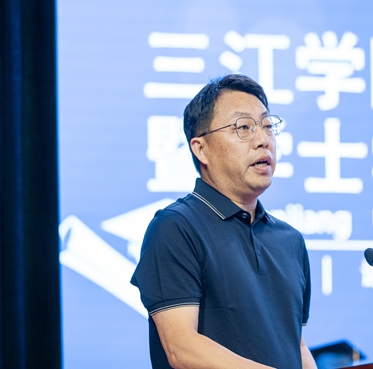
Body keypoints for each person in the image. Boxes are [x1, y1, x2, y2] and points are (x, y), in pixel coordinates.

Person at [131, 74, 316, 369]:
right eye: (243, 127)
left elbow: (297, 345)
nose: (263, 140)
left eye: (268, 126)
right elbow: (182, 348)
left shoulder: (290, 240)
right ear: (201, 149)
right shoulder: (175, 228)